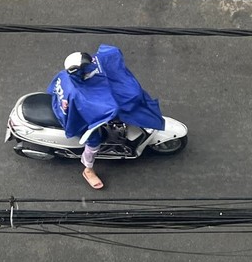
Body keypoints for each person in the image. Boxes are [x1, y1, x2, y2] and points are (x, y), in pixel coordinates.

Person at [47, 45, 165, 190]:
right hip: (71, 116)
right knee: (94, 140)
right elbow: (90, 112)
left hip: (59, 102)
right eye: (87, 69)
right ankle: (88, 169)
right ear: (79, 72)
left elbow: (104, 62)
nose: (91, 69)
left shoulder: (67, 75)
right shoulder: (78, 94)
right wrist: (110, 111)